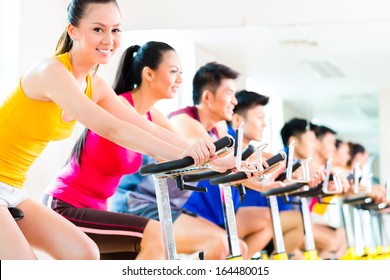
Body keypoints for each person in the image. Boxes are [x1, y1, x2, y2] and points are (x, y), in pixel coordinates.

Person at [0, 0, 217, 260]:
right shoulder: (51, 72)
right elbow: (112, 128)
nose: (109, 39)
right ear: (73, 31)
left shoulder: (94, 85)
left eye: (115, 30)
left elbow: (143, 125)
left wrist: (212, 156)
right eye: (98, 29)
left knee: (85, 253)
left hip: (13, 188)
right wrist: (187, 155)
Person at [112, 62, 251, 259]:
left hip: (170, 206)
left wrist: (266, 173)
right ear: (208, 97)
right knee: (220, 244)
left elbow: (235, 158)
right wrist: (233, 165)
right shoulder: (183, 120)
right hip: (139, 203)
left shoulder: (217, 127)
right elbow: (212, 157)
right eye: (229, 93)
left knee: (238, 248)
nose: (235, 101)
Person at [183, 90, 285, 259]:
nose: (264, 124)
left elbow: (260, 156)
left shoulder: (245, 147)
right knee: (233, 247)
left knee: (268, 221)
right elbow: (248, 156)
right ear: (237, 120)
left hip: (223, 213)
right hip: (200, 213)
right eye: (259, 117)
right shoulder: (226, 140)